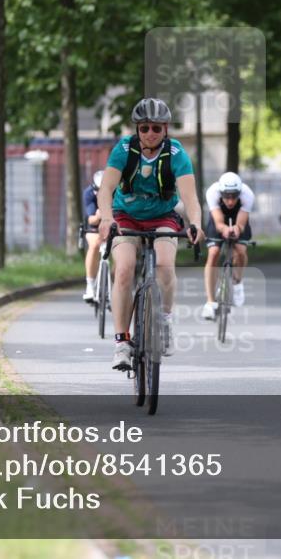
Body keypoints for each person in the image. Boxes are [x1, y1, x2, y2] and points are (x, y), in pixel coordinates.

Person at [96, 98, 204, 371]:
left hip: (162, 216)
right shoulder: (124, 149)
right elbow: (106, 189)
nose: (150, 133)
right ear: (137, 129)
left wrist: (196, 223)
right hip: (125, 216)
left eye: (156, 128)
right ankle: (122, 342)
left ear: (165, 129)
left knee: (166, 265)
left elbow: (190, 197)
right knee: (124, 269)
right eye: (144, 128)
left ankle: (165, 320)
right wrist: (107, 219)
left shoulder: (176, 153)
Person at [201, 172, 255, 320]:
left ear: (240, 192)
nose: (230, 201)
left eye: (234, 196)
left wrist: (237, 229)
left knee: (241, 251)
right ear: (220, 192)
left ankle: (237, 282)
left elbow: (241, 223)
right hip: (219, 218)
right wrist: (225, 229)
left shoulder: (247, 194)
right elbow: (218, 222)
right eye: (226, 196)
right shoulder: (212, 192)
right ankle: (210, 303)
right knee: (213, 253)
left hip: (238, 218)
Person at [82, 170, 105, 302]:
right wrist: (98, 216)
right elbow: (91, 220)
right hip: (95, 225)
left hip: (114, 223)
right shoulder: (89, 193)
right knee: (94, 244)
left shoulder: (118, 192)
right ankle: (90, 285)